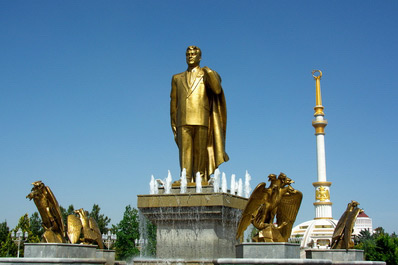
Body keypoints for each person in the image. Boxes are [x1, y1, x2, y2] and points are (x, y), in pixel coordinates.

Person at [170, 46, 229, 184]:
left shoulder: (206, 74)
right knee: (185, 151)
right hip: (182, 120)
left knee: (200, 150)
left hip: (201, 118)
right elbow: (174, 103)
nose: (190, 56)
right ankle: (185, 177)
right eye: (187, 54)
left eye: (193, 54)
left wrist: (208, 71)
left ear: (199, 57)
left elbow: (217, 89)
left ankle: (201, 176)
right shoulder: (176, 78)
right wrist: (173, 123)